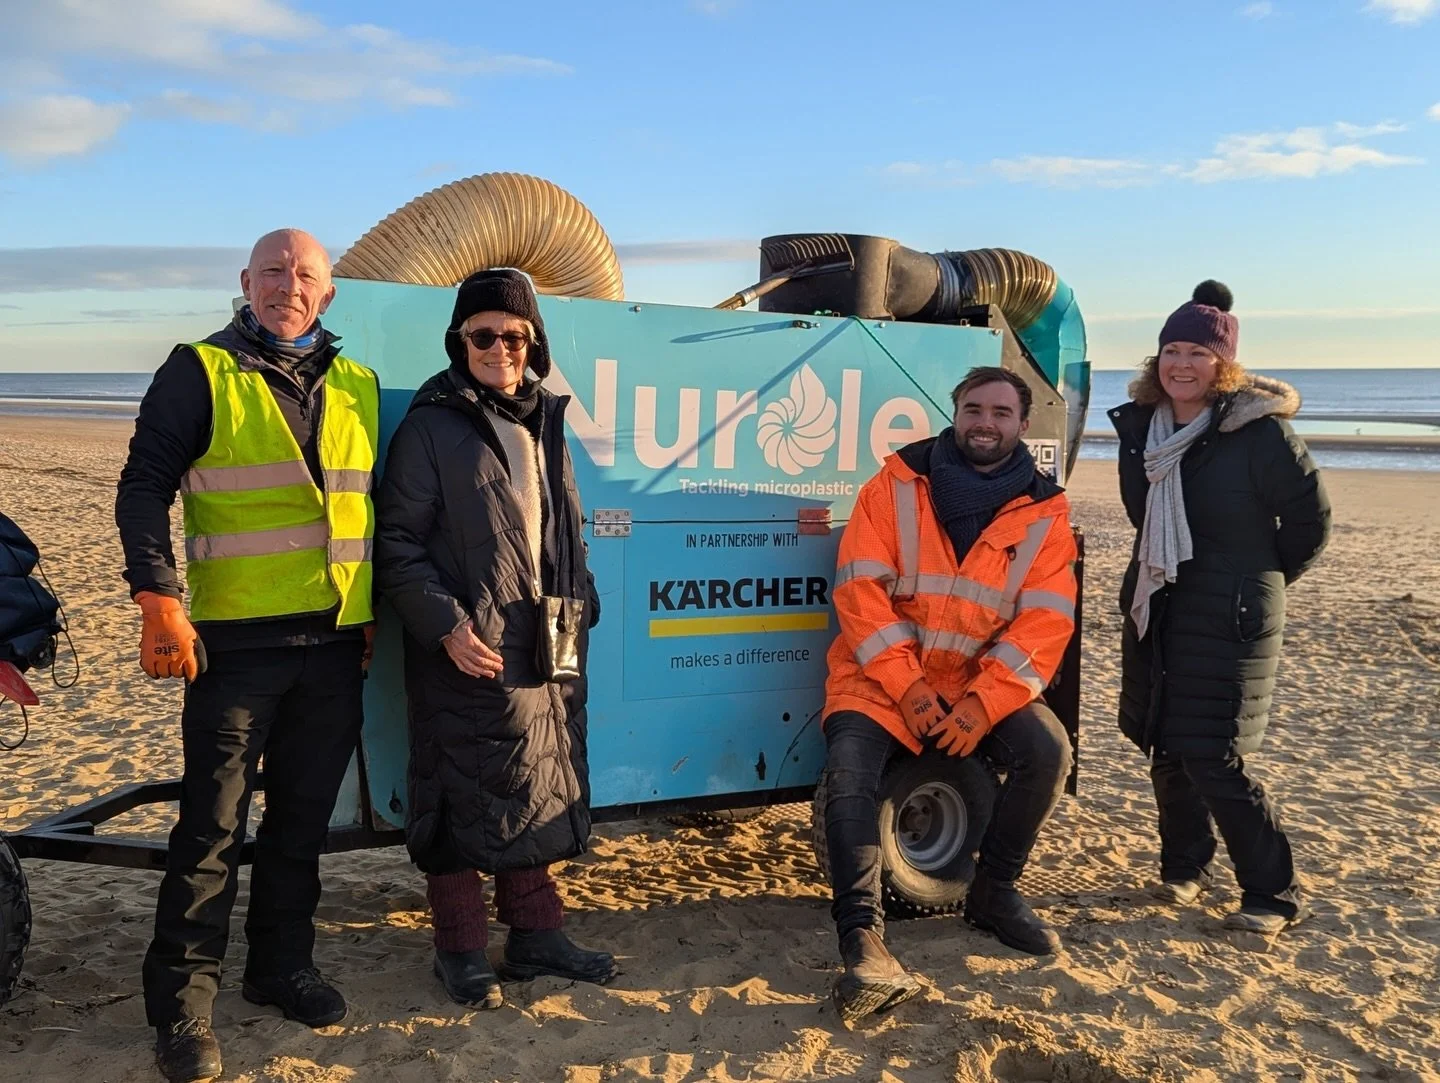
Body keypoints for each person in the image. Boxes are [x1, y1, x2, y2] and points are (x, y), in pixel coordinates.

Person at [115, 229, 379, 1083]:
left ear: (328, 294)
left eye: (305, 275)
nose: (288, 286)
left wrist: (370, 615)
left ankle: (279, 968)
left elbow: (367, 512)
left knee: (301, 822)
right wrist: (158, 599)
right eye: (273, 271)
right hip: (233, 647)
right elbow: (143, 486)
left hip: (335, 645)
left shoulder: (359, 384)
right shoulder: (200, 370)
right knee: (211, 826)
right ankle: (184, 1005)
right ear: (245, 281)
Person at [374, 268, 613, 1011]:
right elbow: (397, 544)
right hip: (465, 640)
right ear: (460, 340)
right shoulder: (431, 424)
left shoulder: (543, 418)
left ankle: (537, 934)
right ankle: (460, 948)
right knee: (455, 788)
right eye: (484, 334)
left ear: (532, 343)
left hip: (545, 633)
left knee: (537, 775)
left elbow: (558, 526)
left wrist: (584, 595)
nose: (500, 347)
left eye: (514, 335)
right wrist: (446, 625)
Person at [821, 366, 1078, 1024]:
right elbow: (859, 590)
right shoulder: (896, 483)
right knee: (850, 770)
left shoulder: (1046, 512)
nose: (984, 422)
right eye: (973, 408)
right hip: (880, 676)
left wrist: (986, 702)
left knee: (1047, 751)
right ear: (954, 413)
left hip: (973, 682)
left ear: (1023, 425)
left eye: (999, 412)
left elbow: (1044, 624)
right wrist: (906, 686)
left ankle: (995, 892)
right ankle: (863, 938)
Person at [1109, 280, 1330, 936]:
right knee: (1166, 746)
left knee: (1213, 752)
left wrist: (1259, 580)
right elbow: (1140, 513)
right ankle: (1184, 868)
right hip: (1163, 600)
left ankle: (1273, 892)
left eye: (1198, 353)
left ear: (1223, 365)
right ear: (1157, 361)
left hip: (1232, 611)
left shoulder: (1257, 433)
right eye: (1171, 349)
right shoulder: (1143, 431)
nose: (1182, 363)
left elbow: (1310, 520)